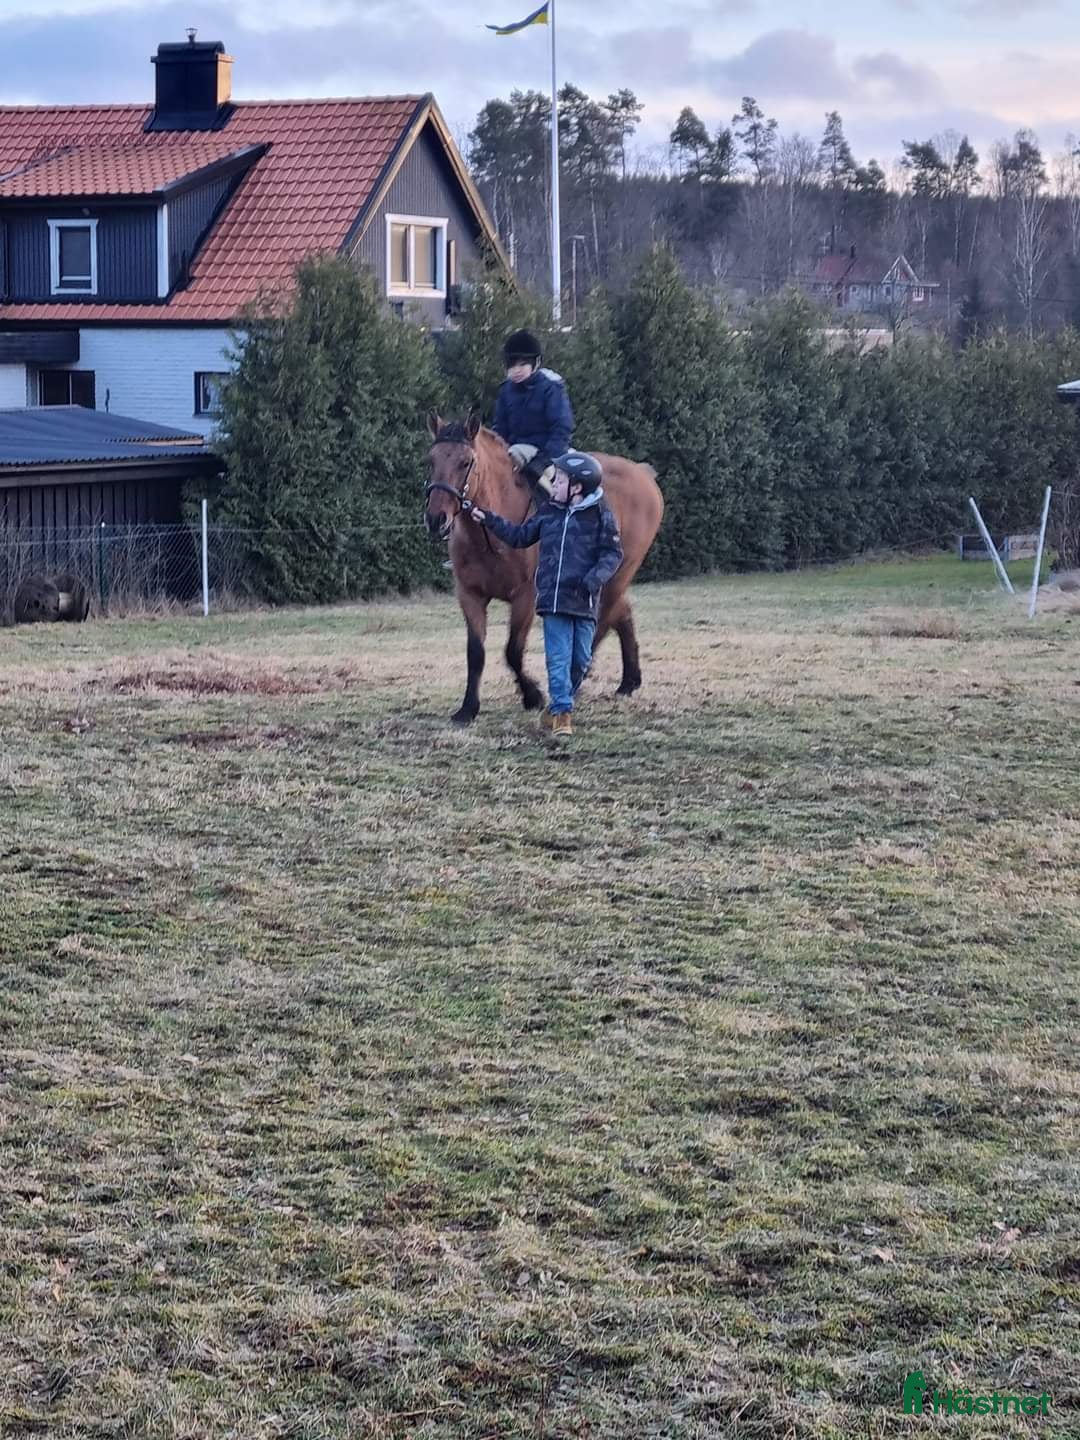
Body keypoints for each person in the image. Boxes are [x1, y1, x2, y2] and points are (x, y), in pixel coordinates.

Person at [469, 450, 622, 739]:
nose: (554, 485)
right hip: (554, 600)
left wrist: (594, 579)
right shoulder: (548, 513)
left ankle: (555, 707)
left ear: (577, 488)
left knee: (581, 661)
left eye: (560, 480)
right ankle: (563, 712)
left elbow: (612, 554)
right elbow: (519, 536)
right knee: (558, 658)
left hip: (585, 600)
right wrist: (488, 519)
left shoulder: (601, 515)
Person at [492, 329, 574, 498]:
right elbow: (500, 428)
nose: (516, 370)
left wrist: (547, 457)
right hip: (516, 449)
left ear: (536, 363)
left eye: (522, 365)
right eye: (512, 365)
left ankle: (556, 512)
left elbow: (561, 427)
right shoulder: (505, 390)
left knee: (534, 468)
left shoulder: (551, 387)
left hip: (548, 451)